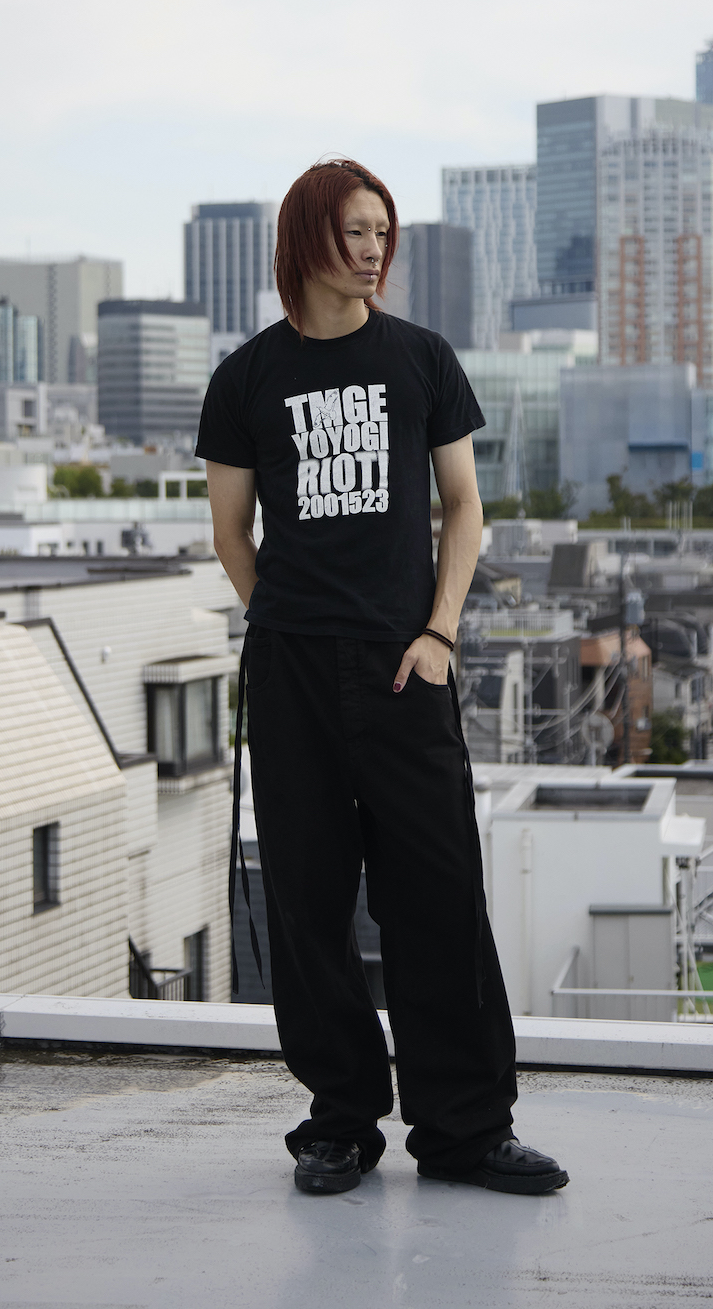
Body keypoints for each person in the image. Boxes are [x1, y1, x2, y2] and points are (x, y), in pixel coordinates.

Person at [197, 158, 568, 1198]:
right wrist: (284, 622)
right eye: (354, 232)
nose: (372, 251)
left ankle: (463, 1130)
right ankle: (340, 1122)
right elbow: (230, 533)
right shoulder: (247, 378)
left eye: (381, 233)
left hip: (408, 666)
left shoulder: (419, 358)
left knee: (438, 896)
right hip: (294, 675)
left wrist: (439, 632)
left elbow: (465, 508)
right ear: (307, 239)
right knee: (310, 904)